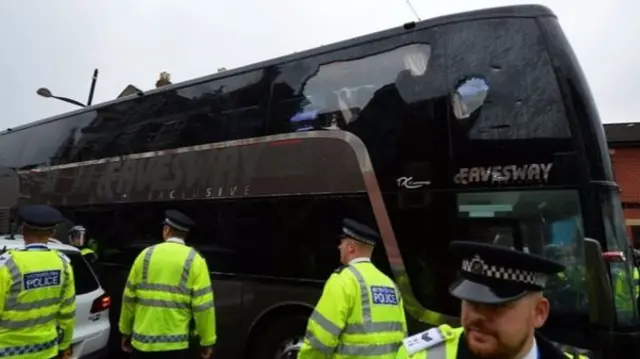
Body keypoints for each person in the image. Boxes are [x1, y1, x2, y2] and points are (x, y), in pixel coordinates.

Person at [396, 241, 588, 359]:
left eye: (496, 306)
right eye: (470, 301)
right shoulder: (420, 356)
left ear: (539, 313)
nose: (477, 315)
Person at [298, 218, 408, 359]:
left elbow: (321, 337)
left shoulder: (343, 280)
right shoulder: (390, 285)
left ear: (351, 247)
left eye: (341, 243)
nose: (339, 247)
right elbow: (402, 336)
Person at [119, 209, 215, 359]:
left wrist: (125, 331)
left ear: (166, 230)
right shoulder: (196, 260)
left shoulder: (144, 256)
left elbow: (129, 299)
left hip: (141, 344)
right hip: (176, 347)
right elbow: (204, 307)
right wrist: (206, 342)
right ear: (185, 234)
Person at [0, 204, 76, 359]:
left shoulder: (7, 265)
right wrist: (64, 345)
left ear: (22, 230)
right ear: (52, 233)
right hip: (47, 350)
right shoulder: (63, 264)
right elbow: (67, 313)